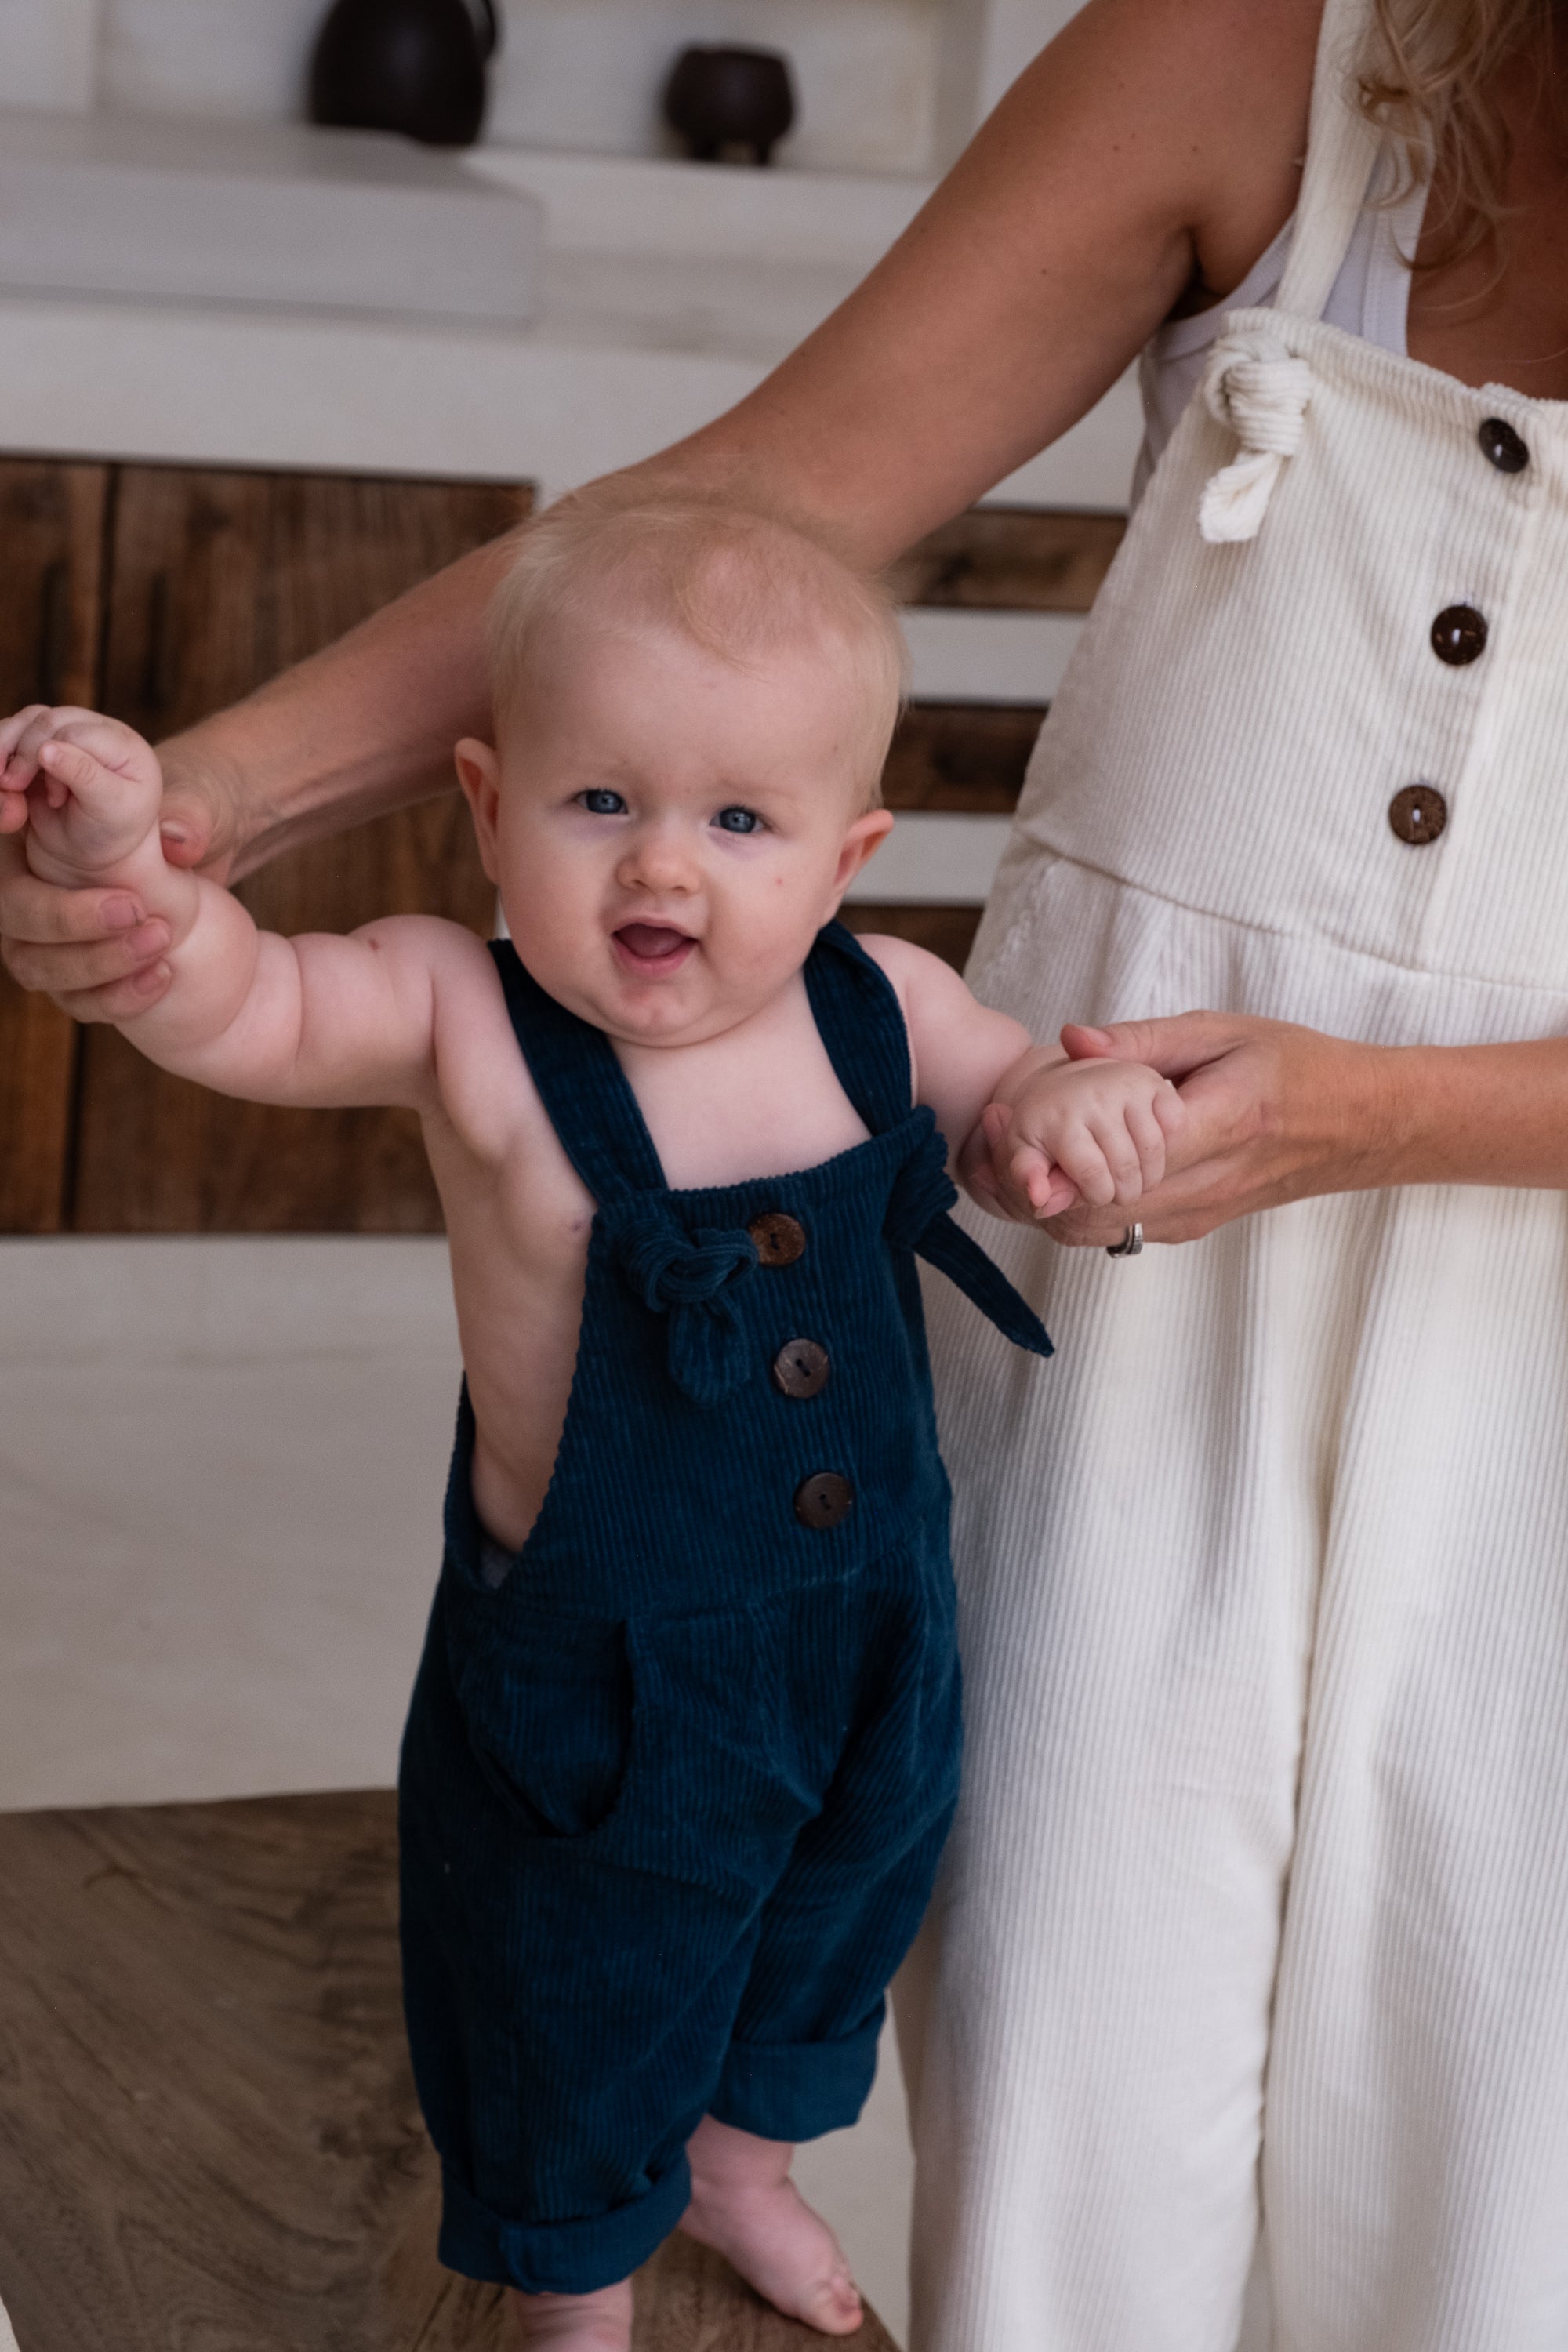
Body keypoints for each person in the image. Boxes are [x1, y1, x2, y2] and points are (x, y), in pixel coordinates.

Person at [8, 0, 1568, 2339]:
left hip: (1519, 1325)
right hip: (1102, 1292)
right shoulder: (1273, 51)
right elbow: (738, 515)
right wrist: (187, 827)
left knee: (1487, 2171)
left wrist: (1389, 1110)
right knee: (1054, 2124)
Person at [0, 495, 1185, 2350]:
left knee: (838, 1913)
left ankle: (740, 2164)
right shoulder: (456, 1011)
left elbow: (1016, 1119)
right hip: (599, 1687)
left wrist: (1070, 1114)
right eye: (598, 803)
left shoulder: (887, 1003)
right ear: (485, 803)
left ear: (844, 851)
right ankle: (574, 2283)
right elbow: (244, 1001)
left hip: (872, 1630)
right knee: (575, 1975)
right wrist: (134, 879)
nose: (664, 869)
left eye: (738, 820)